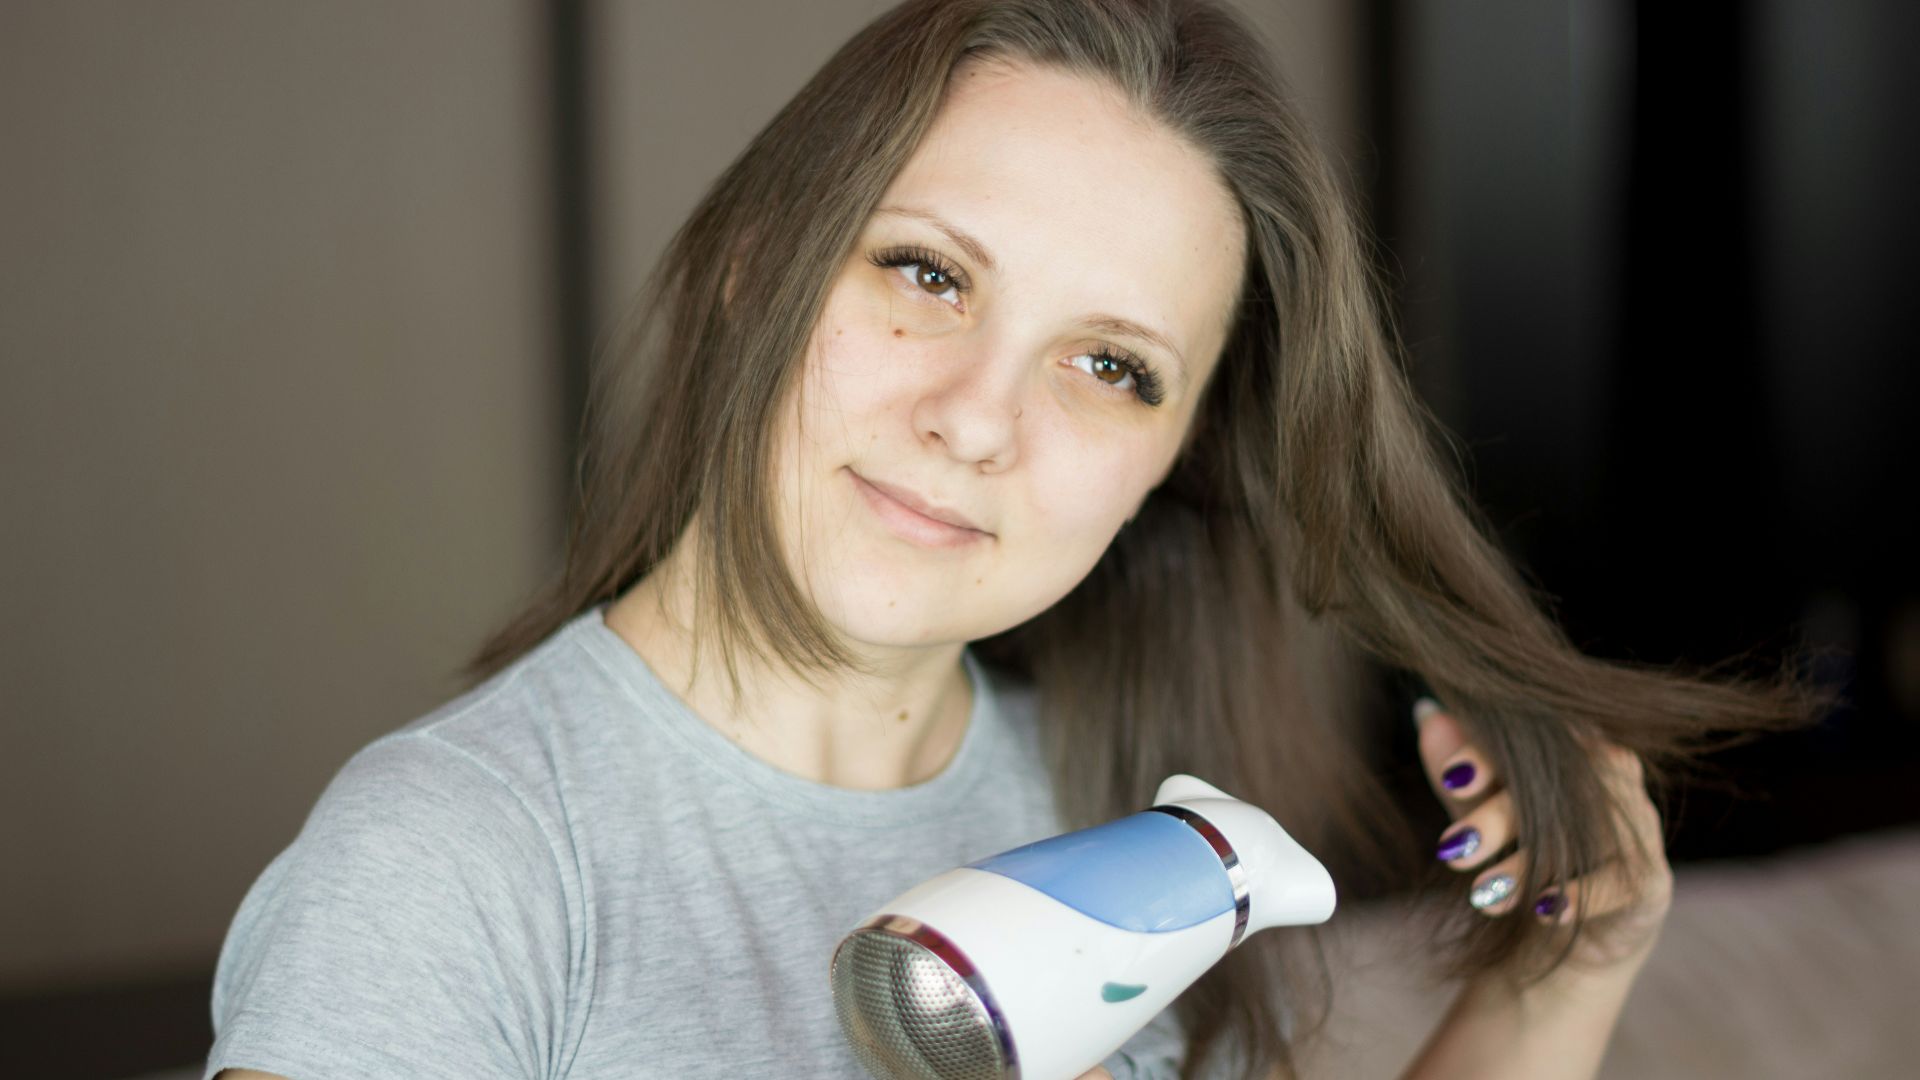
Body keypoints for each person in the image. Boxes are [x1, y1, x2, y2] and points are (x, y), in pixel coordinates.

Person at [202, 2, 1830, 1078]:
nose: (981, 417)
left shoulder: (1122, 823)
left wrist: (1561, 982)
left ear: (1167, 467)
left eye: (1111, 368)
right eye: (926, 273)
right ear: (757, 263)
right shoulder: (450, 869)